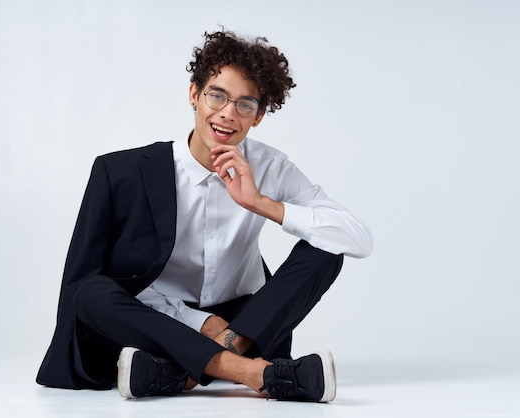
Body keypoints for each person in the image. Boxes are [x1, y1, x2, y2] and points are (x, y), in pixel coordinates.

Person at [36, 29, 373, 403]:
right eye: (217, 96)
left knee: (325, 247)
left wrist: (262, 203)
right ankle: (250, 372)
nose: (228, 113)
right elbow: (81, 284)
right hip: (157, 320)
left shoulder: (271, 167)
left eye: (245, 104)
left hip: (246, 321)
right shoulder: (121, 172)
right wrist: (202, 324)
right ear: (194, 94)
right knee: (90, 292)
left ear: (258, 116)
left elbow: (358, 238)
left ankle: (180, 374)